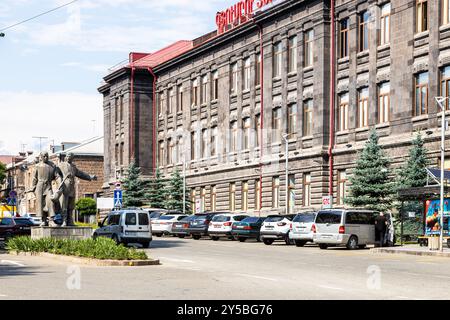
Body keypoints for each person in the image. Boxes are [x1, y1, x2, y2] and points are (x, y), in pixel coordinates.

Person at [53, 153, 97, 227]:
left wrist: (90, 177)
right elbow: (56, 173)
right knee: (64, 205)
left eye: (70, 157)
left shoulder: (73, 166)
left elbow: (80, 174)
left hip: (71, 188)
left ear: (72, 158)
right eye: (67, 156)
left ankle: (70, 220)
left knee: (71, 206)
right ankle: (64, 221)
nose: (68, 158)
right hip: (64, 187)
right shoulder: (61, 165)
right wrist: (59, 180)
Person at [31, 152, 60, 227]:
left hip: (48, 186)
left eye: (47, 156)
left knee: (50, 202)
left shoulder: (52, 165)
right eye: (44, 156)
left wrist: (59, 183)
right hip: (39, 187)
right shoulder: (37, 166)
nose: (46, 157)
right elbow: (34, 178)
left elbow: (57, 176)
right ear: (41, 157)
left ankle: (51, 220)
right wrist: (33, 188)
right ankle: (43, 220)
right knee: (41, 204)